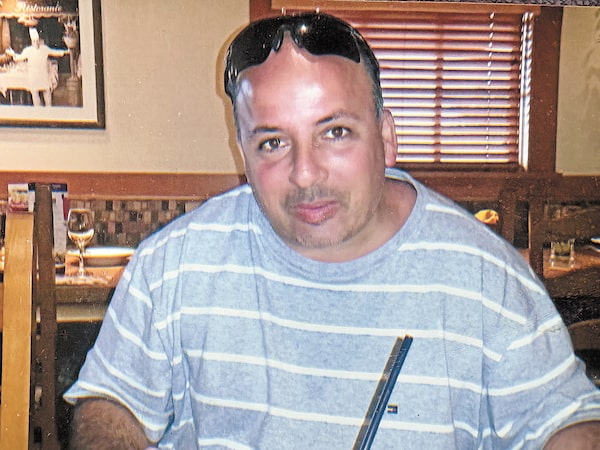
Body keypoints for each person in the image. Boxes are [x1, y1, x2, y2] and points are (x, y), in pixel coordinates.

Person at [65, 13, 600, 449]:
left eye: (336, 132)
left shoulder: (486, 277)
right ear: (242, 153)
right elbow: (110, 404)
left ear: (386, 138)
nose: (305, 173)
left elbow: (565, 424)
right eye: (272, 142)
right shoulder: (171, 264)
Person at [6, 27, 68, 107]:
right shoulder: (28, 50)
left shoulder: (44, 49)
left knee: (47, 96)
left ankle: (49, 111)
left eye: (37, 41)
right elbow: (18, 58)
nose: (36, 43)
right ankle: (38, 111)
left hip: (43, 75)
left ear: (39, 41)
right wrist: (12, 54)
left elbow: (55, 52)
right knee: (35, 97)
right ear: (32, 42)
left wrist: (66, 52)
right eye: (34, 41)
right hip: (33, 76)